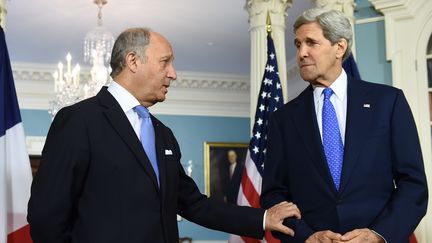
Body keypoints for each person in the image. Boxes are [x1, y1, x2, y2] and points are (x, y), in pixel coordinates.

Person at [27, 27, 301, 243]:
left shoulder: (163, 135)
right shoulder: (78, 120)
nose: (174, 74)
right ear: (133, 61)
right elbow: (45, 217)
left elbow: (194, 205)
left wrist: (263, 218)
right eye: (165, 62)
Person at [261, 8, 428, 243]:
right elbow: (273, 195)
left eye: (311, 43)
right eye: (298, 44)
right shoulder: (284, 119)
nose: (301, 53)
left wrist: (380, 234)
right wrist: (306, 236)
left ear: (340, 47)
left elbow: (413, 184)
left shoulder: (388, 102)